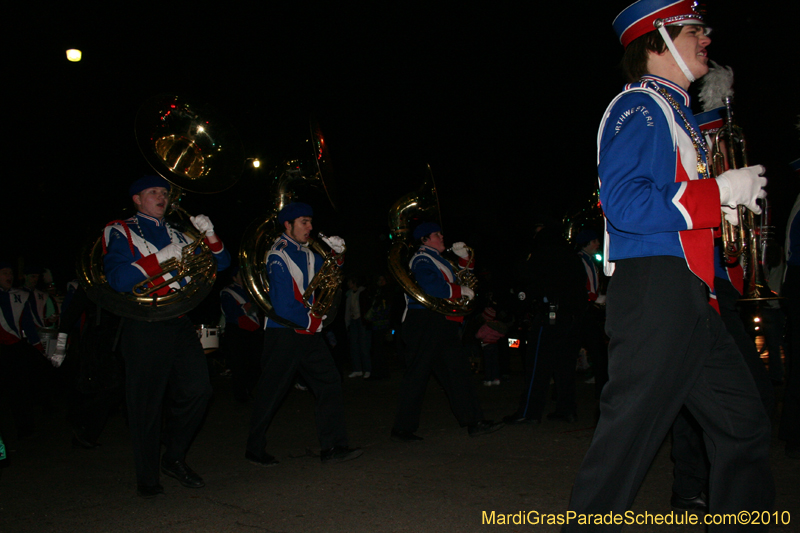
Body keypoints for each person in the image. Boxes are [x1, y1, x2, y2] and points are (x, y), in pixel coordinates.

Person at [563, 2, 773, 529]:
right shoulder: (640, 106)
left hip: (689, 294)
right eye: (695, 30)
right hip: (656, 286)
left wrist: (722, 206)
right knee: (628, 438)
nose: (707, 38)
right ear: (658, 41)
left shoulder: (675, 113)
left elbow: (675, 208)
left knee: (744, 427)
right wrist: (718, 192)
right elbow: (628, 205)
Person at [103, 175, 230, 498]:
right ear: (136, 199)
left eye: (164, 192)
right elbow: (118, 279)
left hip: (178, 321)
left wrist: (210, 234)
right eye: (153, 192)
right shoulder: (121, 229)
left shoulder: (177, 232)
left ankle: (173, 456)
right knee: (146, 405)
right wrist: (161, 257)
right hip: (143, 322)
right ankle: (147, 479)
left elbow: (222, 262)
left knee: (199, 390)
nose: (162, 196)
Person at [245, 202, 362, 466]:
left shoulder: (309, 253)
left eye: (310, 222)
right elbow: (284, 304)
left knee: (330, 381)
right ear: (288, 225)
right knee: (271, 391)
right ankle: (254, 447)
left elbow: (331, 275)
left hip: (309, 331)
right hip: (285, 332)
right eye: (304, 222)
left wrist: (338, 255)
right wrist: (312, 322)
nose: (310, 227)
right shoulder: (278, 254)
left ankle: (333, 446)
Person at [390, 222, 503, 442]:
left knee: (457, 372)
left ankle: (474, 421)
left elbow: (460, 280)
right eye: (437, 234)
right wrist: (460, 290)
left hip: (438, 322)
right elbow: (432, 287)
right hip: (425, 321)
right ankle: (402, 428)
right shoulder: (422, 259)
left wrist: (464, 261)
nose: (442, 237)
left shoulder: (438, 260)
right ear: (424, 240)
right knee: (418, 376)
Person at [0, 261, 45, 440]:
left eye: (10, 273)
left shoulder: (19, 296)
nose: (9, 276)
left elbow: (27, 324)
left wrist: (38, 346)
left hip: (14, 349)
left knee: (19, 390)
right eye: (4, 273)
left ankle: (25, 427)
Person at [220, 267, 263, 402]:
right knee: (239, 366)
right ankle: (241, 396)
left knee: (257, 364)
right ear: (234, 277)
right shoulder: (227, 291)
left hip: (254, 331)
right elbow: (230, 311)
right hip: (237, 330)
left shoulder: (252, 291)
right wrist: (248, 306)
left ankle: (247, 390)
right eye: (241, 275)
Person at [344, 275, 371, 378]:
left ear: (354, 282)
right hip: (353, 321)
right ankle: (357, 369)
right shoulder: (349, 294)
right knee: (354, 346)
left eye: (350, 282)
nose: (348, 284)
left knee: (364, 345)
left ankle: (367, 369)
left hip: (362, 321)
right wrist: (347, 323)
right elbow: (348, 310)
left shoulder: (363, 293)